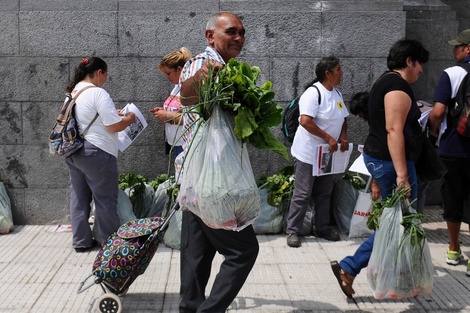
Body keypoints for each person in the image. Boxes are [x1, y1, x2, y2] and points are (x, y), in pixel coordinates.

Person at [330, 39, 429, 298]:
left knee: (398, 221)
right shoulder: (397, 87)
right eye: (420, 65)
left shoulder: (383, 81)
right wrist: (402, 175)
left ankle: (396, 275)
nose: (422, 71)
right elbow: (393, 130)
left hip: (381, 160)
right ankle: (351, 267)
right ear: (409, 61)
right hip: (391, 162)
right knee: (399, 222)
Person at [176, 12, 259, 313]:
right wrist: (204, 75)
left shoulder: (228, 68)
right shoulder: (202, 63)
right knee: (244, 252)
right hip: (212, 183)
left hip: (196, 182)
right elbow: (186, 96)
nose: (239, 38)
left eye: (242, 33)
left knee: (196, 255)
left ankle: (190, 308)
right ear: (210, 35)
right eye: (231, 32)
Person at [65, 57, 136, 253]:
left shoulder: (73, 91)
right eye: (105, 74)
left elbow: (89, 117)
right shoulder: (98, 93)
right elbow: (113, 126)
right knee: (105, 199)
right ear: (99, 72)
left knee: (79, 198)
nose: (105, 79)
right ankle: (109, 244)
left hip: (74, 152)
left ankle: (81, 241)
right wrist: (129, 118)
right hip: (97, 152)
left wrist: (114, 113)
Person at [286, 56, 349, 247]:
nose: (342, 72)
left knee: (324, 192)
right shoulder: (313, 94)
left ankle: (322, 228)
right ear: (327, 73)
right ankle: (292, 231)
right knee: (303, 193)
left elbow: (344, 118)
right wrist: (329, 137)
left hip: (327, 154)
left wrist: (342, 137)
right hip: (308, 153)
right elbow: (305, 121)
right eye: (338, 69)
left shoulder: (336, 93)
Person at [428, 29, 470, 276]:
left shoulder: (452, 74)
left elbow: (437, 112)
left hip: (453, 148)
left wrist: (433, 133)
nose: (454, 50)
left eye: (458, 46)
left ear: (468, 49)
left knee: (452, 197)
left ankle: (454, 249)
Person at [152, 47, 192, 160]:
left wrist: (167, 115)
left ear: (179, 69)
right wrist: (163, 111)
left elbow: (192, 117)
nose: (167, 77)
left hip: (185, 144)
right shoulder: (176, 87)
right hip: (175, 142)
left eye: (168, 73)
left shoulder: (189, 88)